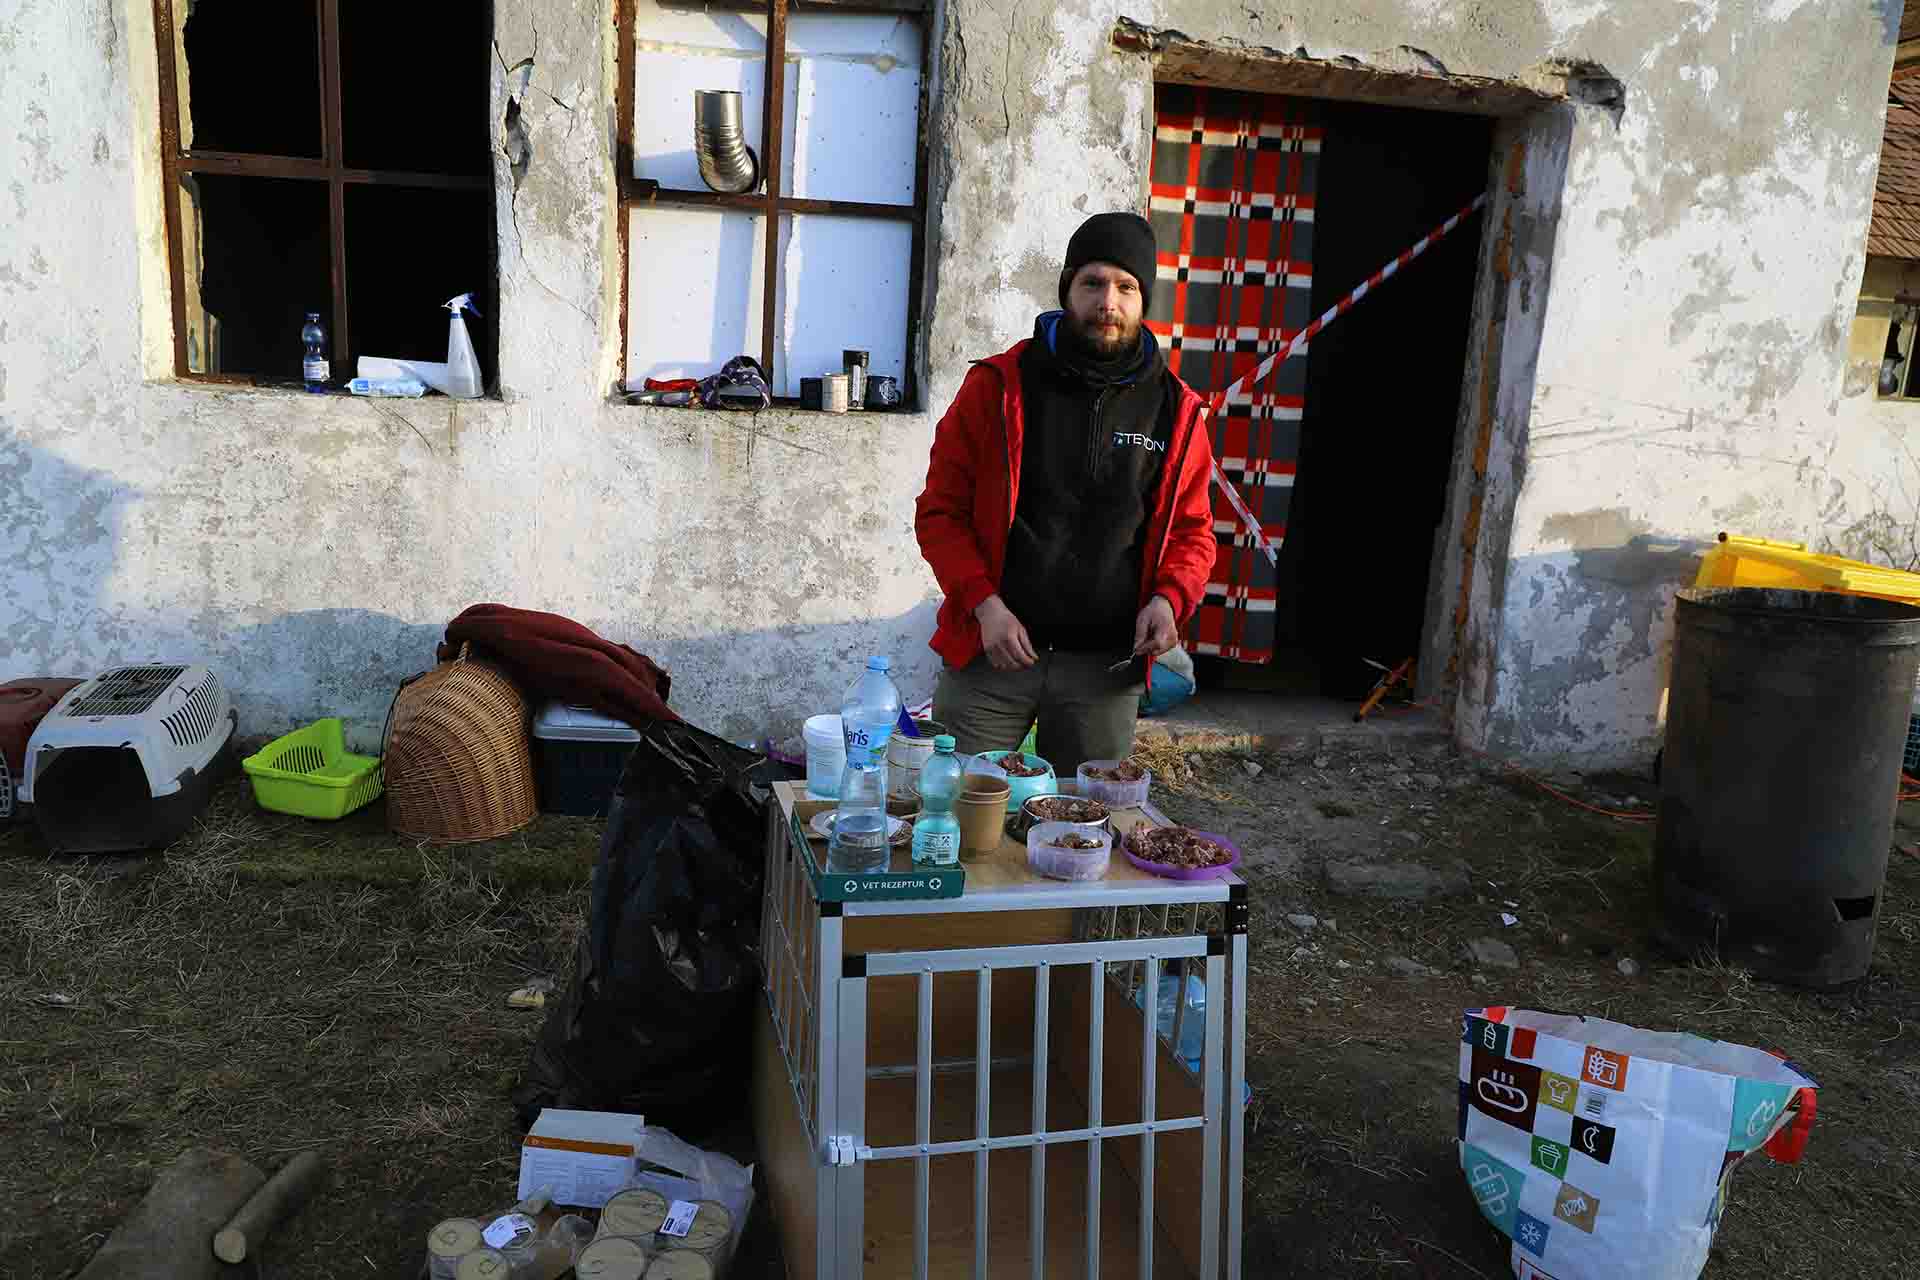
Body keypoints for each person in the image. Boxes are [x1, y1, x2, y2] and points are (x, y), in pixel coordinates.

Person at [914, 211, 1217, 773]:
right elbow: (940, 513)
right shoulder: (998, 387)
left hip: (1104, 671)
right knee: (960, 818)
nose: (1109, 301)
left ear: (1144, 299)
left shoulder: (1176, 411)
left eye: (1127, 287)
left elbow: (1194, 533)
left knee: (1078, 830)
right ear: (1068, 289)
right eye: (1093, 283)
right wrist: (984, 604)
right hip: (990, 654)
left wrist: (1169, 599)